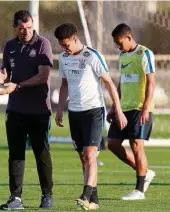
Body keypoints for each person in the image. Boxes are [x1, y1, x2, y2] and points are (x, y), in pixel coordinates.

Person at [54, 23, 127, 210]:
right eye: (61, 46)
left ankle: (85, 194)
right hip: (74, 112)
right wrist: (60, 109)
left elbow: (109, 83)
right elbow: (64, 85)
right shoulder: (63, 58)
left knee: (90, 153)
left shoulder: (92, 56)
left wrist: (117, 109)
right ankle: (94, 200)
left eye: (66, 45)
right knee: (82, 157)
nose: (64, 49)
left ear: (75, 38)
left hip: (94, 111)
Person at [0, 10, 53, 210]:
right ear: (16, 27)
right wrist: (3, 77)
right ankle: (16, 198)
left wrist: (17, 86)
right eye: (22, 28)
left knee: (41, 153)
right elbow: (6, 71)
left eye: (29, 27)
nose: (26, 31)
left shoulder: (43, 44)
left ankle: (47, 195)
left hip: (38, 110)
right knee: (16, 154)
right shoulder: (9, 46)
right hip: (15, 110)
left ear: (33, 24)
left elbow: (43, 77)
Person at [107, 23, 156, 200]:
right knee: (112, 143)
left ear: (128, 37)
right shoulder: (122, 55)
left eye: (119, 42)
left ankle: (139, 190)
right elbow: (123, 81)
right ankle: (145, 172)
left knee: (136, 145)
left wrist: (145, 109)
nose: (117, 46)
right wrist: (115, 106)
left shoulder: (145, 54)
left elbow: (151, 83)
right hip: (124, 108)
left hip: (139, 108)